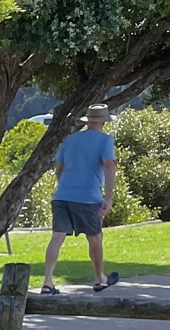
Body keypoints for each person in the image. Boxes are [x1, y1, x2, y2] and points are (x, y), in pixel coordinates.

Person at [41, 104, 120, 295]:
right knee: (95, 237)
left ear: (88, 120)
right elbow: (109, 166)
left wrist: (65, 185)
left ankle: (47, 282)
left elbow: (59, 168)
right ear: (103, 121)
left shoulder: (70, 139)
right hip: (88, 198)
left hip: (62, 196)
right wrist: (108, 197)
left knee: (57, 237)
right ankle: (100, 278)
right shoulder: (105, 140)